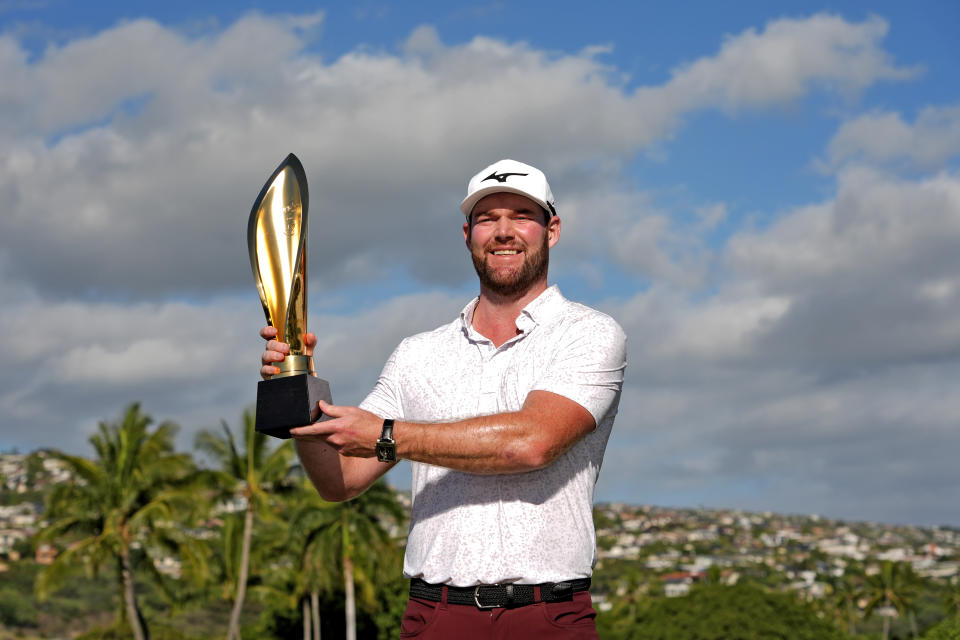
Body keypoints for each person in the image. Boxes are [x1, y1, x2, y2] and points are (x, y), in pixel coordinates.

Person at [259, 159, 626, 638]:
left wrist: (387, 436)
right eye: (487, 219)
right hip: (436, 616)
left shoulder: (590, 333)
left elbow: (532, 442)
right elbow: (340, 479)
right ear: (467, 234)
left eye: (521, 216)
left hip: (547, 615)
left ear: (551, 230)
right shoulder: (418, 354)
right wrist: (296, 385)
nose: (503, 231)